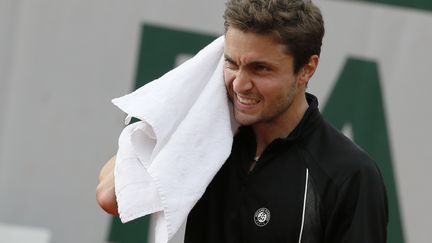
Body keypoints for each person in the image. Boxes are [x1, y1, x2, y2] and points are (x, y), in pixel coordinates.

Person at [97, 0, 388, 242]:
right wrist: (181, 105)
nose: (240, 84)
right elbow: (110, 196)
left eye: (260, 69)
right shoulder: (205, 134)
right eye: (232, 63)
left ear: (307, 69)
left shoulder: (350, 175)